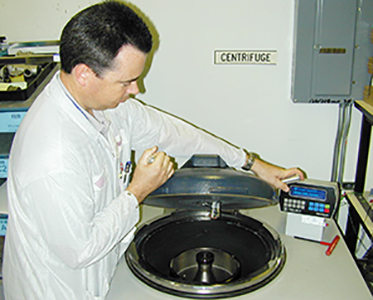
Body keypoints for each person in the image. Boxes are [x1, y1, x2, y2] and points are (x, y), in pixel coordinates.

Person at [3, 1, 304, 299]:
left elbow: (176, 134)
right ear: (84, 74)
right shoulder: (50, 154)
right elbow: (79, 251)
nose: (136, 90)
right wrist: (138, 190)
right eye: (127, 81)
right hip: (57, 291)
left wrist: (251, 163)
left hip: (103, 277)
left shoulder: (106, 105)